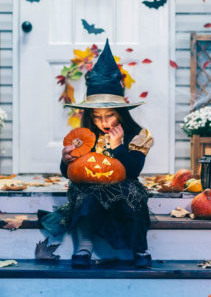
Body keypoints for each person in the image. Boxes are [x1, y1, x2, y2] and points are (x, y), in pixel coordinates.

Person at [38, 39, 154, 269]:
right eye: (98, 117)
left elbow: (133, 170)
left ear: (121, 114)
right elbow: (73, 172)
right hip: (89, 187)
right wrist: (65, 161)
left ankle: (139, 248)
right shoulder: (84, 135)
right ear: (90, 116)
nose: (104, 122)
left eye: (110, 115)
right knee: (86, 197)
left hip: (124, 185)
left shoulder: (137, 135)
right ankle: (84, 245)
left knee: (134, 200)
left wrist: (119, 146)